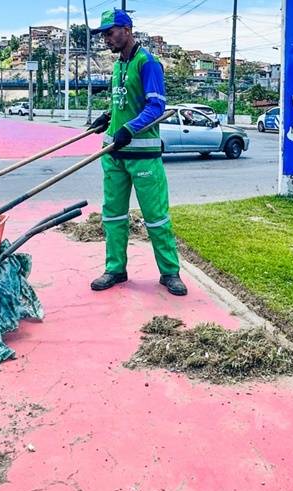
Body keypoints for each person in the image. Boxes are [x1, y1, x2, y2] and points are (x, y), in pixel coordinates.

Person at [88, 9, 187, 296]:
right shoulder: (119, 66)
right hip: (113, 153)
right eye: (104, 34)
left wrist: (129, 129)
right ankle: (115, 269)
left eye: (110, 32)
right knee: (113, 216)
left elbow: (156, 107)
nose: (106, 39)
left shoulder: (148, 63)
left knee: (156, 218)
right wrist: (108, 117)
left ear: (127, 29)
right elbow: (125, 103)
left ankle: (170, 272)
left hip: (143, 157)